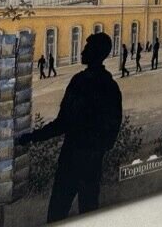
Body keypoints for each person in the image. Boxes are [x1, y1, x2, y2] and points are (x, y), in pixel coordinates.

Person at [16, 33, 122, 223]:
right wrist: (98, 150)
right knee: (89, 212)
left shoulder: (80, 82)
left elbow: (62, 123)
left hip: (71, 160)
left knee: (57, 214)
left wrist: (32, 137)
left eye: (87, 48)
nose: (82, 51)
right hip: (91, 163)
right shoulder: (110, 86)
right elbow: (113, 128)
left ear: (95, 52)